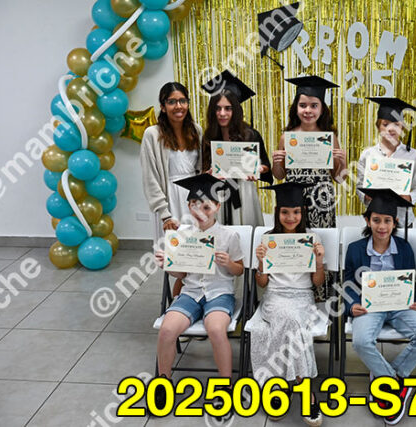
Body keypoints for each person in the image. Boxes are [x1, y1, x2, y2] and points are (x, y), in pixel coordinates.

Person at [152, 174, 244, 420]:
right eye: (194, 206)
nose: (200, 212)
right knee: (167, 330)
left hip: (219, 293)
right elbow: (181, 274)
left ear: (217, 207)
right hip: (191, 292)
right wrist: (167, 265)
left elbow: (240, 271)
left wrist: (228, 263)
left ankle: (224, 387)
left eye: (206, 207)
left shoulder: (229, 236)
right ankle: (163, 382)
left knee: (216, 329)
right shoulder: (181, 236)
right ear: (189, 207)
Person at [344, 188, 416, 426]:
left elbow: (411, 281)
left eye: (387, 221)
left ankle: (387, 376)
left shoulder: (404, 248)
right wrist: (352, 304)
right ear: (367, 221)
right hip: (368, 305)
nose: (382, 226)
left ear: (395, 223)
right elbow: (347, 283)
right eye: (376, 220)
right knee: (361, 341)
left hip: (399, 305)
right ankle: (392, 383)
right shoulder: (355, 249)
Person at [248, 182, 326, 426]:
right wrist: (261, 263)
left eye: (296, 212)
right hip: (275, 297)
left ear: (303, 212)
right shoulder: (268, 239)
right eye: (285, 212)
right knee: (291, 322)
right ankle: (306, 392)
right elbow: (262, 284)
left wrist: (319, 261)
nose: (290, 217)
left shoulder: (312, 239)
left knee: (292, 321)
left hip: (303, 297)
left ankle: (279, 387)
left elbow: (317, 283)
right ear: (277, 212)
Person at [272, 75, 346, 302]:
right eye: (303, 105)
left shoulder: (329, 137)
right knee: (297, 242)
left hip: (322, 200)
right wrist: (277, 161)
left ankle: (321, 294)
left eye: (314, 105)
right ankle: (297, 290)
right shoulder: (287, 137)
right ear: (296, 108)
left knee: (319, 243)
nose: (308, 110)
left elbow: (339, 178)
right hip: (295, 198)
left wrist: (342, 161)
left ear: (322, 109)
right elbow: (279, 175)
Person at [140, 82, 202, 298]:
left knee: (197, 257)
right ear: (163, 106)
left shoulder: (196, 131)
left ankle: (193, 304)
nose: (178, 106)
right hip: (170, 202)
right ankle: (180, 305)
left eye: (182, 101)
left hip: (194, 201)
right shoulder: (152, 134)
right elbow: (150, 177)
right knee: (178, 261)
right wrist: (164, 214)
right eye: (172, 101)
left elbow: (201, 169)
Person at [201, 70, 274, 227]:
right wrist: (208, 173)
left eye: (228, 108)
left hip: (244, 191)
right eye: (218, 108)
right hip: (218, 192)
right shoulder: (208, 137)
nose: (222, 113)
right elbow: (203, 168)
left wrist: (258, 169)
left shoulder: (250, 135)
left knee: (246, 232)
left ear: (235, 109)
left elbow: (266, 165)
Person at [356, 97, 416, 229]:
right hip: (376, 221)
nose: (391, 129)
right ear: (378, 126)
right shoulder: (368, 154)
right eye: (385, 124)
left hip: (402, 220)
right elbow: (359, 186)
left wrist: (409, 197)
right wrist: (365, 196)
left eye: (396, 125)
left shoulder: (413, 155)